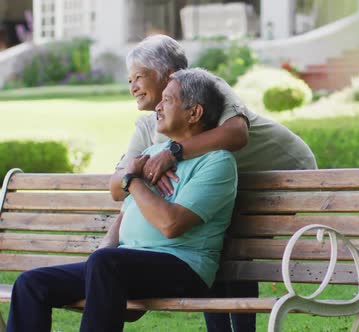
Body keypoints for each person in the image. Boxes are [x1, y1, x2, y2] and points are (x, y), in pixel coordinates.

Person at [111, 34, 317, 332]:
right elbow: (120, 186)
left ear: (168, 75)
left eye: (139, 77)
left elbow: (236, 135)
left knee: (231, 248)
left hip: (279, 171)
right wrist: (133, 176)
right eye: (129, 80)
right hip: (229, 177)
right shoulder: (148, 125)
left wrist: (173, 153)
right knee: (209, 242)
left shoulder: (208, 87)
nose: (132, 88)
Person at [6, 68, 237, 332]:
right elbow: (125, 215)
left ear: (194, 113)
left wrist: (132, 180)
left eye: (168, 100)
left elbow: (170, 224)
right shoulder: (154, 153)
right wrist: (102, 251)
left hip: (183, 266)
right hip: (122, 264)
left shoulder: (217, 162)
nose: (158, 107)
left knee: (107, 264)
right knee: (31, 284)